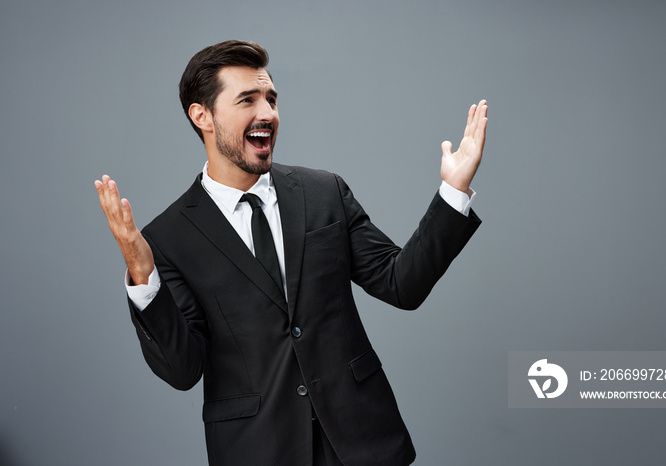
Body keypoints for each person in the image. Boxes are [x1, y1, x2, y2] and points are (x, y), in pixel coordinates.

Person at [95, 40, 487, 466]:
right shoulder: (168, 239)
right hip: (259, 450)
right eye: (247, 99)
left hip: (363, 444)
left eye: (271, 99)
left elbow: (401, 283)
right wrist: (141, 271)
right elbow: (182, 370)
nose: (267, 114)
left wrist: (454, 191)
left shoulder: (323, 193)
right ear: (201, 115)